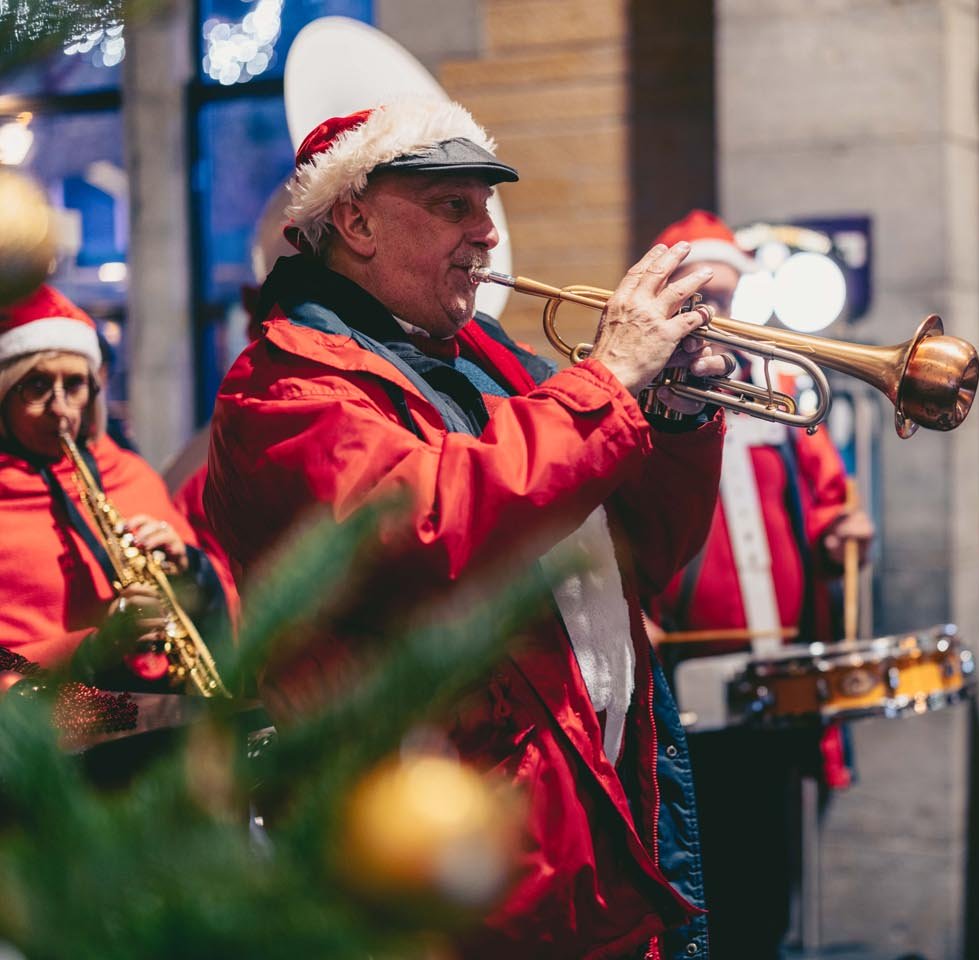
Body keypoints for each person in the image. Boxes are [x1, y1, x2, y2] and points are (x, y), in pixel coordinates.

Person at [202, 98, 727, 960]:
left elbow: (641, 557)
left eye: (485, 206)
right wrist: (604, 384)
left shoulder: (497, 364)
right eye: (455, 205)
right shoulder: (281, 389)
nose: (487, 234)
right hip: (438, 844)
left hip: (582, 808)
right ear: (356, 220)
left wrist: (669, 421)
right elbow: (432, 528)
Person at [645, 210, 874, 960]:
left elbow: (827, 496)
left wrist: (846, 532)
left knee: (776, 859)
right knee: (702, 855)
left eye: (731, 294)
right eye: (705, 294)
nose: (720, 313)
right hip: (684, 665)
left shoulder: (780, 383)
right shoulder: (644, 383)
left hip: (783, 663)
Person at [0, 285, 236, 730]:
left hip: (166, 729)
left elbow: (216, 605)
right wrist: (93, 649)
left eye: (75, 386)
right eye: (36, 386)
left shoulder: (128, 472)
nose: (61, 410)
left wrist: (191, 569)